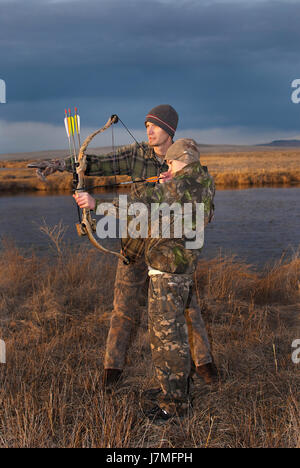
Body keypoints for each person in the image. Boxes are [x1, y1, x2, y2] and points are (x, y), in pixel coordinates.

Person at [30, 105, 216, 389]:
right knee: (123, 310)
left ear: (170, 131)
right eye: (146, 125)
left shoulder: (182, 162)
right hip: (133, 247)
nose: (149, 130)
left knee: (189, 307)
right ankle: (112, 369)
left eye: (155, 126)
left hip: (169, 255)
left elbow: (199, 205)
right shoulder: (136, 154)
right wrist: (62, 164)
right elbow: (95, 163)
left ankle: (205, 364)